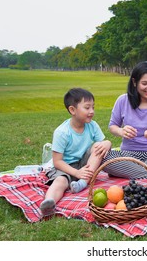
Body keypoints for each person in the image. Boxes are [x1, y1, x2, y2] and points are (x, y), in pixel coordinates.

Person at [40, 88, 112, 217]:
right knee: (60, 182)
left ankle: (82, 182)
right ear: (72, 110)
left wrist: (108, 143)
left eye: (93, 107)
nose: (92, 112)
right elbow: (57, 162)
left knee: (98, 146)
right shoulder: (62, 132)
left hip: (83, 164)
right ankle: (49, 203)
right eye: (87, 108)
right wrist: (76, 172)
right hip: (64, 166)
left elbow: (101, 144)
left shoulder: (92, 125)